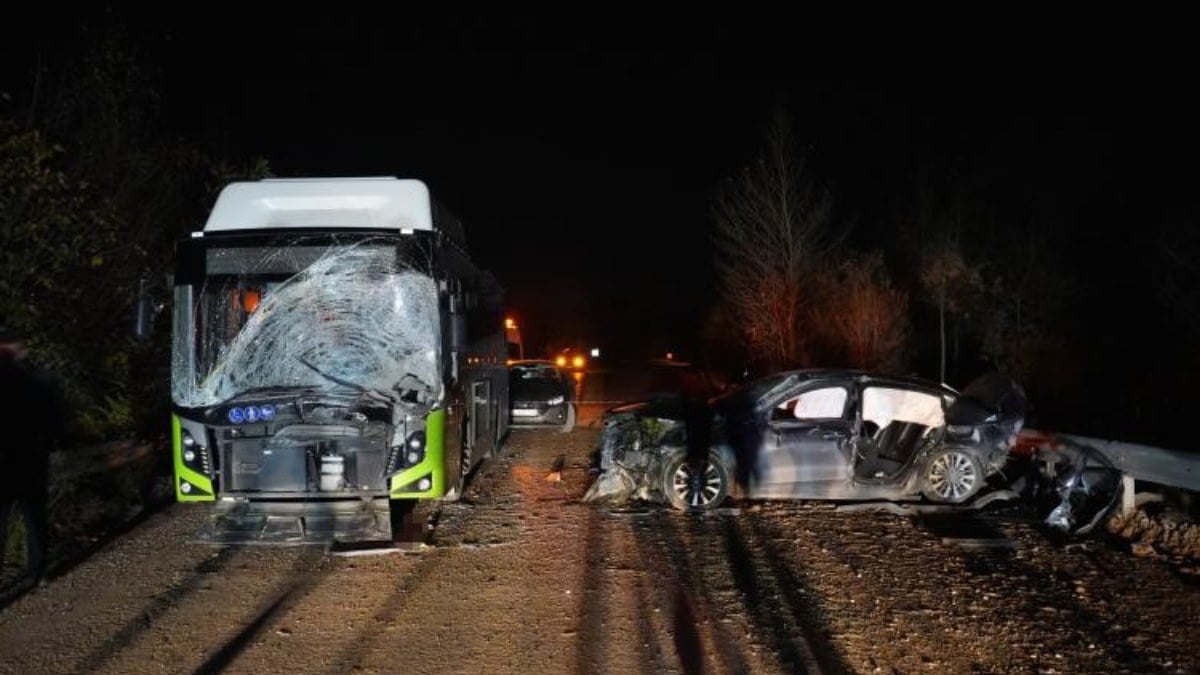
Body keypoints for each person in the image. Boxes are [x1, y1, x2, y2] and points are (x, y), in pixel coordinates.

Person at [0, 327, 65, 587]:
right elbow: (57, 422)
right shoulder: (40, 380)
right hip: (32, 460)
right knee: (35, 519)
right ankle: (37, 573)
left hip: (3, 463)